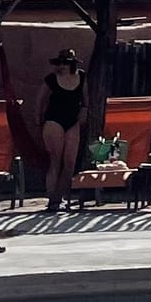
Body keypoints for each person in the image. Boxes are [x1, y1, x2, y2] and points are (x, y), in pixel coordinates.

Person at [41, 48, 87, 210]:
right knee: (55, 161)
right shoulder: (52, 79)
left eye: (66, 63)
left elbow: (85, 98)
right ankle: (52, 199)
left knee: (70, 162)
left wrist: (84, 111)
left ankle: (60, 197)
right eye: (60, 63)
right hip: (54, 120)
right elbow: (40, 100)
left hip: (72, 121)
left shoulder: (81, 77)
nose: (62, 66)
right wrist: (38, 120)